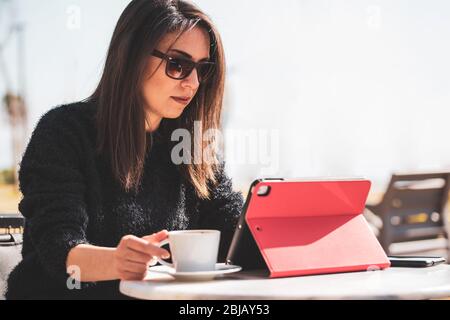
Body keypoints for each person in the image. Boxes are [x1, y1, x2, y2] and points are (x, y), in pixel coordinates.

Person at [6, 0, 244, 299]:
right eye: (178, 65)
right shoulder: (64, 131)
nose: (193, 82)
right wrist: (118, 261)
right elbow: (58, 246)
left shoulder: (194, 146)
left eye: (203, 69)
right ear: (131, 57)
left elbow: (234, 233)